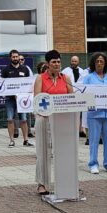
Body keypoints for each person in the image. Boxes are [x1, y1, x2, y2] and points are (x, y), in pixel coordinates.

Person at [33, 50, 73, 195]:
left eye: (58, 61)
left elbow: (71, 98)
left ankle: (65, 182)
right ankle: (42, 184)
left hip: (62, 119)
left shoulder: (66, 78)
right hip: (44, 118)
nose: (57, 64)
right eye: (54, 62)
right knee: (43, 152)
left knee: (63, 151)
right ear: (48, 64)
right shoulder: (40, 78)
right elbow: (37, 99)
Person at [83, 53, 107, 174]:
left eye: (102, 61)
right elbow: (84, 95)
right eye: (97, 61)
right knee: (94, 140)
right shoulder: (88, 78)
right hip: (94, 114)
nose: (99, 63)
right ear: (93, 63)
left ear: (105, 63)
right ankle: (93, 163)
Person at [1, 49, 33, 148]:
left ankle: (26, 140)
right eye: (13, 57)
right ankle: (11, 141)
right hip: (10, 99)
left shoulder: (25, 69)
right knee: (10, 119)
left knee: (23, 120)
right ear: (10, 58)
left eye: (16, 56)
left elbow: (29, 83)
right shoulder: (6, 70)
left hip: (22, 99)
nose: (15, 58)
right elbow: (2, 84)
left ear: (19, 57)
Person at [62, 55, 89, 138]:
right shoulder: (65, 71)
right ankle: (72, 130)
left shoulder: (82, 71)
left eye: (75, 61)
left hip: (80, 93)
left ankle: (81, 130)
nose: (73, 63)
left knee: (81, 113)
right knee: (72, 113)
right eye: (72, 61)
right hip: (70, 94)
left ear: (78, 62)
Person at [17, 54, 35, 139]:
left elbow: (31, 80)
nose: (21, 61)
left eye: (22, 59)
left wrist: (30, 92)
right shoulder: (14, 69)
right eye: (19, 59)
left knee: (27, 113)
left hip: (26, 94)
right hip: (16, 94)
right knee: (16, 114)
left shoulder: (27, 68)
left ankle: (29, 131)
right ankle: (16, 131)